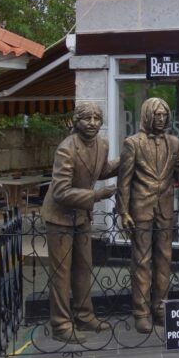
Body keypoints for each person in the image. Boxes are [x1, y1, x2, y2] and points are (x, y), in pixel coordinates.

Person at [41, 103, 119, 343]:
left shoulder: (102, 145)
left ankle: (85, 315)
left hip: (82, 217)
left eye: (97, 118)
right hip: (60, 217)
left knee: (84, 267)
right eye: (87, 118)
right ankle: (61, 325)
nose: (93, 123)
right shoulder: (66, 149)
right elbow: (61, 192)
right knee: (62, 273)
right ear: (77, 121)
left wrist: (126, 158)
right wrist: (96, 196)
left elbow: (100, 170)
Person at [117, 97, 179, 333]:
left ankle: (161, 308)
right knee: (142, 261)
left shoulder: (174, 143)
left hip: (165, 208)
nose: (162, 119)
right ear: (147, 115)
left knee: (165, 259)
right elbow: (123, 181)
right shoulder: (132, 143)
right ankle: (141, 312)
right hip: (141, 208)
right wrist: (123, 211)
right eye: (157, 115)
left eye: (165, 115)